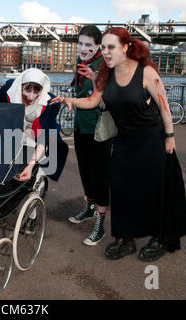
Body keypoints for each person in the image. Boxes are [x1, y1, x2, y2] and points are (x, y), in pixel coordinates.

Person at [51, 27, 186, 262]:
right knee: (123, 190)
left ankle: (160, 238)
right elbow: (94, 100)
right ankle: (125, 239)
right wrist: (70, 99)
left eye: (111, 47)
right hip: (124, 140)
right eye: (103, 47)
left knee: (153, 190)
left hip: (151, 138)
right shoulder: (106, 72)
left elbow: (164, 106)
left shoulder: (146, 72)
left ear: (126, 47)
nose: (105, 52)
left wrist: (170, 137)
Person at [67, 25, 110, 247]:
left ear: (98, 46)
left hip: (98, 128)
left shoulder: (104, 64)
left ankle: (100, 224)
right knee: (85, 171)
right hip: (81, 125)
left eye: (88, 45)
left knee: (99, 174)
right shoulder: (80, 61)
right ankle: (90, 207)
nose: (83, 49)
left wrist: (94, 78)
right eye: (80, 44)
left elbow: (103, 97)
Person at [0, 68, 69, 190]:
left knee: (42, 157)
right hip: (19, 128)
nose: (31, 96)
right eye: (27, 89)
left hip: (43, 132)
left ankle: (39, 173)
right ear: (20, 86)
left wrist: (30, 167)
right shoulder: (8, 92)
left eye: (37, 91)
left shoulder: (50, 103)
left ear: (43, 89)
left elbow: (43, 139)